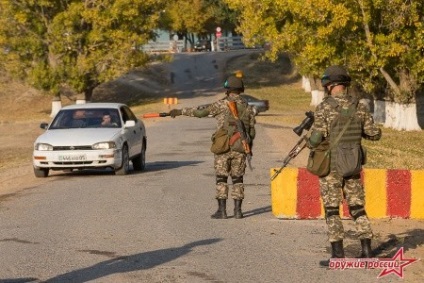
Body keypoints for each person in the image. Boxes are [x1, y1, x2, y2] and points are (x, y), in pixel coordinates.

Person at [308, 65, 382, 262]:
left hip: (332, 167)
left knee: (332, 209)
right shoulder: (360, 106)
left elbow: (315, 140)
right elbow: (374, 134)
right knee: (357, 206)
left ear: (329, 85)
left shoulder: (324, 107)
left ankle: (338, 253)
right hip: (353, 164)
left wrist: (311, 140)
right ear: (345, 84)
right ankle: (367, 250)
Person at [169, 75, 256, 219]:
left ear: (228, 90)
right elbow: (251, 129)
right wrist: (247, 145)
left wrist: (180, 111)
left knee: (221, 178)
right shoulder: (248, 106)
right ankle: (238, 211)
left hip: (223, 147)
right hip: (240, 147)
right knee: (238, 179)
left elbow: (200, 112)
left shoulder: (222, 104)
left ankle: (222, 211)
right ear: (240, 89)